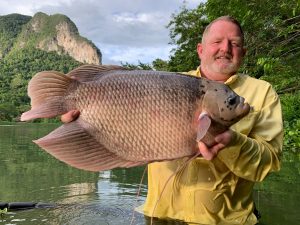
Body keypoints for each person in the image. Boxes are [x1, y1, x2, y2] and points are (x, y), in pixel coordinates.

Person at [61, 16, 283, 225]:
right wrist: (81, 120)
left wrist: (232, 142)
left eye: (233, 43)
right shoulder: (167, 85)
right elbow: (124, 120)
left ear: (243, 52)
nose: (225, 48)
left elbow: (269, 163)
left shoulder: (262, 93)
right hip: (157, 216)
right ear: (200, 49)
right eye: (217, 41)